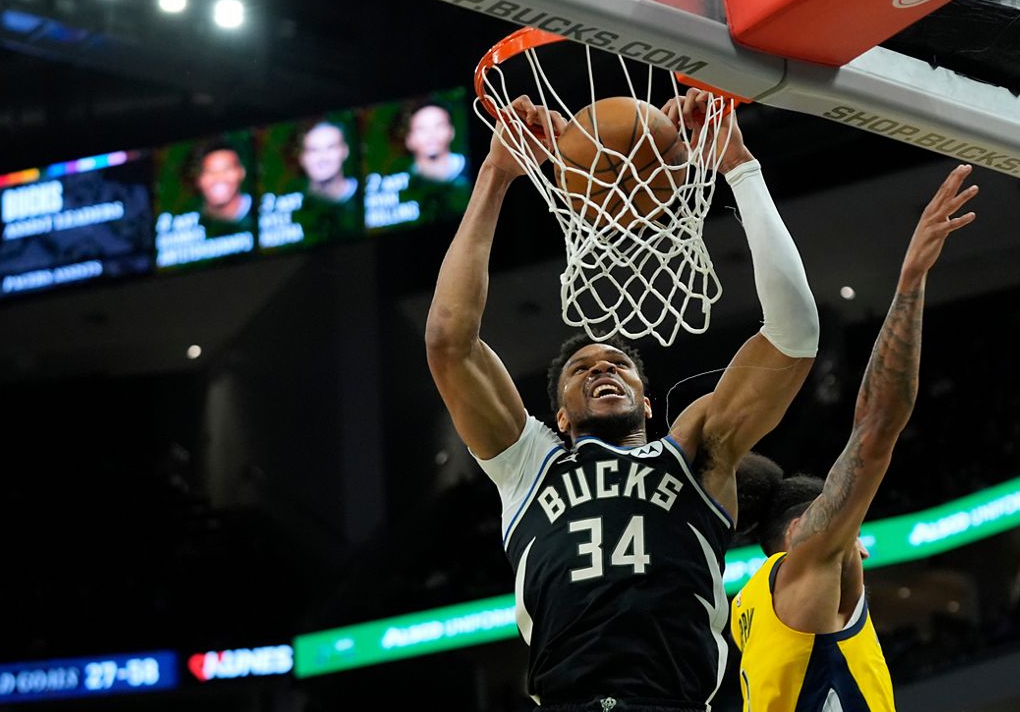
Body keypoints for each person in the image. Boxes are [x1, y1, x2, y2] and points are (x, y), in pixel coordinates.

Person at [425, 90, 820, 711]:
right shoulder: (528, 463)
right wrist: (497, 176)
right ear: (558, 415)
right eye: (581, 369)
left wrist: (740, 168)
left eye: (617, 365)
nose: (602, 369)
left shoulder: (698, 450)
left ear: (648, 400)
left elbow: (794, 336)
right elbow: (450, 343)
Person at [729, 164, 980, 712]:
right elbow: (875, 426)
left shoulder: (747, 610)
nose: (857, 543)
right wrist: (911, 280)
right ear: (803, 529)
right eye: (849, 527)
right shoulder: (809, 566)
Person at [404, 103, 469, 184]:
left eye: (439, 126)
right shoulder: (401, 182)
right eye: (421, 129)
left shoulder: (477, 170)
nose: (431, 135)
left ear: (451, 132)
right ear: (409, 139)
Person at [299, 120, 359, 204]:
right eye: (313, 150)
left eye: (331, 148)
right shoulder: (295, 202)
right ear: (302, 158)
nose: (322, 158)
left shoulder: (363, 191)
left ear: (345, 151)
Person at [196, 143, 252, 225]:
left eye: (227, 169)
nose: (218, 177)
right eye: (210, 171)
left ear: (241, 173)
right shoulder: (192, 223)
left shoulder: (262, 208)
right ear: (199, 180)